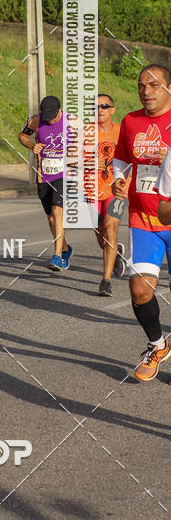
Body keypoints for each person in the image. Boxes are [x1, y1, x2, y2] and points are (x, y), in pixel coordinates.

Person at [112, 64, 171, 381]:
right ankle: (158, 345)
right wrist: (119, 179)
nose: (146, 91)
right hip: (143, 219)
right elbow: (121, 158)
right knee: (140, 290)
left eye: (153, 85)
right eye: (140, 85)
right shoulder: (131, 121)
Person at [18, 95, 73, 271]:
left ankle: (57, 256)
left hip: (64, 174)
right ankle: (65, 249)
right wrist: (31, 145)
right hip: (44, 175)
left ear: (60, 110)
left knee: (57, 210)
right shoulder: (36, 120)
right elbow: (22, 136)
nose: (50, 120)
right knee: (51, 219)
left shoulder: (71, 121)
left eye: (53, 117)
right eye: (47, 117)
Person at [85, 94, 128, 296]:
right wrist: (86, 162)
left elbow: (133, 158)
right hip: (90, 190)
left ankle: (106, 281)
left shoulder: (122, 132)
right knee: (102, 239)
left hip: (115, 191)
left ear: (112, 110)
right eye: (95, 107)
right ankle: (115, 251)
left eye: (104, 106)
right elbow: (68, 161)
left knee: (111, 231)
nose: (99, 109)